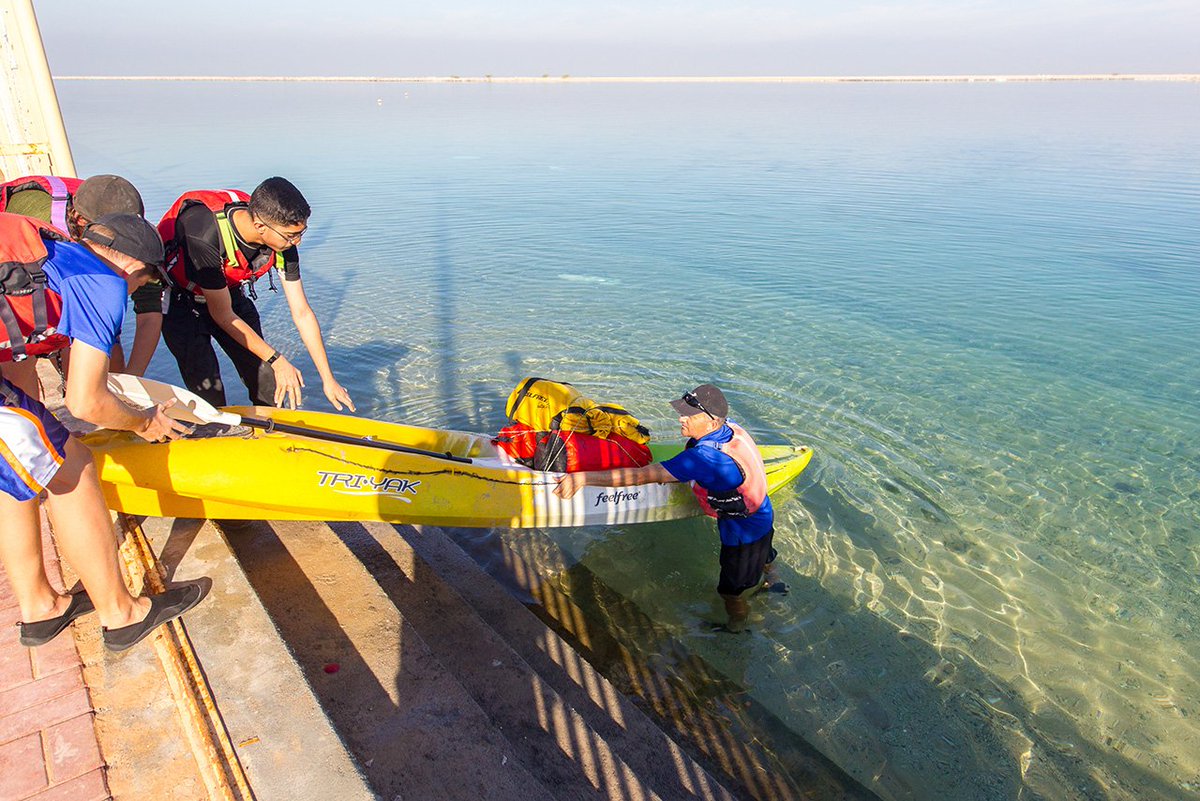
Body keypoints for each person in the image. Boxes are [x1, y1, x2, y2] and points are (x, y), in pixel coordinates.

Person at [0, 211, 205, 652]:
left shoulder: (49, 259)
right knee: (71, 468)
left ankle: (41, 607)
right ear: (133, 268)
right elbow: (85, 402)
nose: (132, 297)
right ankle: (122, 614)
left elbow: (15, 375)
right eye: (142, 285)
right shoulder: (103, 282)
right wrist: (144, 420)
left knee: (17, 472)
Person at [554, 383, 785, 631]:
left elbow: (641, 477)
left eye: (689, 415)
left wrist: (583, 479)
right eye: (682, 412)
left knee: (731, 590)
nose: (681, 418)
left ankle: (737, 626)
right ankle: (776, 580)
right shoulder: (732, 429)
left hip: (742, 534)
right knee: (766, 555)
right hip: (763, 511)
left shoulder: (704, 458)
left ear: (710, 422)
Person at [154, 177, 353, 411]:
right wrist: (278, 359)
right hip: (181, 302)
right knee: (209, 391)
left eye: (301, 233)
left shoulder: (283, 242)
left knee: (267, 381)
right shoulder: (203, 233)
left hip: (227, 293)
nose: (297, 242)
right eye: (291, 235)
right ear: (260, 226)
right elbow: (222, 315)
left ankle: (271, 431)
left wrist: (328, 380)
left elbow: (302, 313)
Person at [0, 173, 162, 377]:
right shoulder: (40, 221)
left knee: (107, 363)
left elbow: (150, 307)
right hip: (17, 277)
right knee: (22, 358)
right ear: (81, 222)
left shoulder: (132, 236)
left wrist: (132, 379)